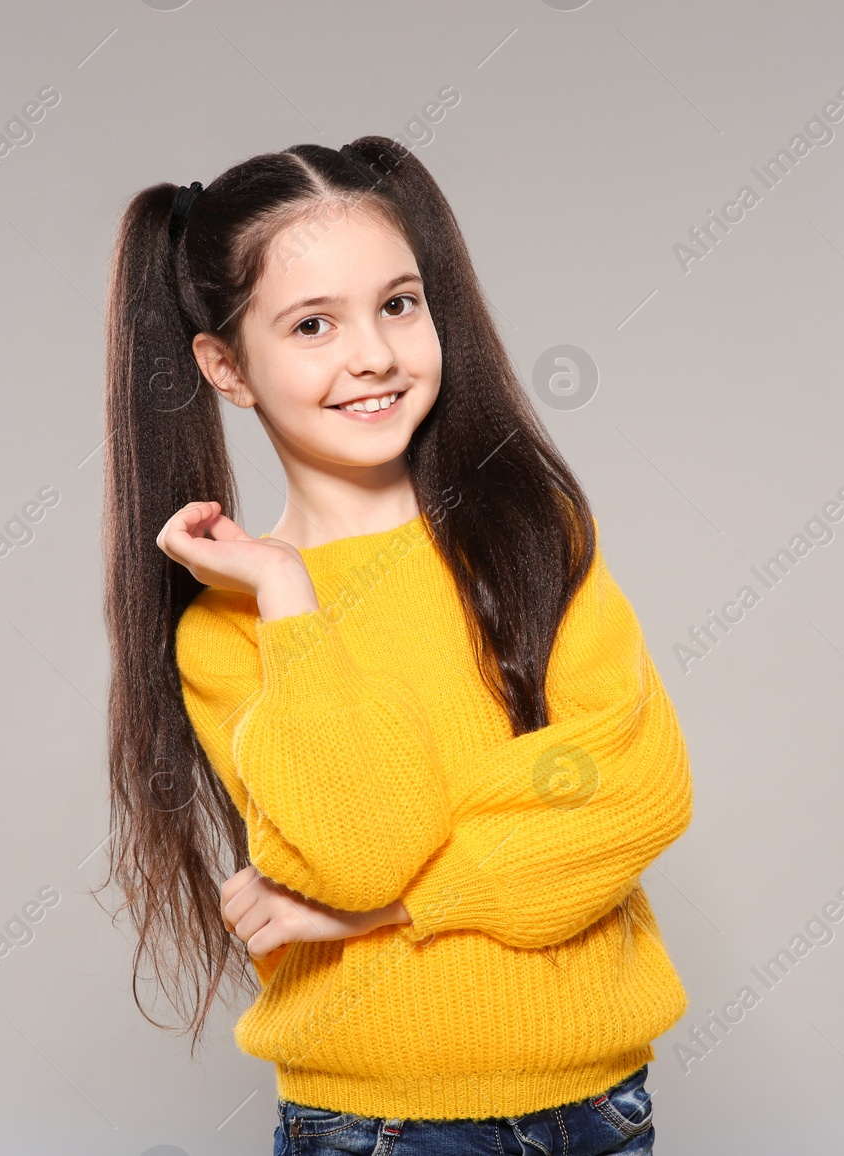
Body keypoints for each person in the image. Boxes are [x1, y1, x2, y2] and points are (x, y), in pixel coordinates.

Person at [99, 135, 693, 1155]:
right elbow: (361, 847)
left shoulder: (531, 537)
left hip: (601, 1103)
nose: (371, 353)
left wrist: (386, 913)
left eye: (398, 303)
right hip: (379, 1123)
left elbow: (638, 793)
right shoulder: (231, 626)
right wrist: (288, 587)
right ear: (226, 366)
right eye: (312, 323)